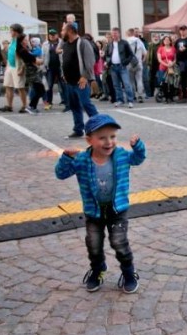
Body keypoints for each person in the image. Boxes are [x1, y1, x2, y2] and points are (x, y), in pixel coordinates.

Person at [55, 114, 146, 293]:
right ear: (89, 139)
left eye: (112, 137)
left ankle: (129, 273)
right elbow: (61, 173)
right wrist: (66, 157)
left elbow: (138, 159)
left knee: (119, 242)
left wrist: (138, 147)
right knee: (94, 244)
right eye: (102, 137)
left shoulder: (120, 155)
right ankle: (98, 270)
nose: (109, 142)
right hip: (93, 211)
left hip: (117, 210)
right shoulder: (82, 159)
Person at [61, 22, 98, 139]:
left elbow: (90, 61)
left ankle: (99, 126)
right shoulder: (66, 44)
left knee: (86, 104)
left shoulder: (83, 43)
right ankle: (78, 129)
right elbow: (65, 60)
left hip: (80, 81)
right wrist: (64, 74)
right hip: (69, 82)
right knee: (74, 106)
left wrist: (84, 77)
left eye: (63, 30)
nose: (61, 32)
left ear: (70, 31)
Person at [1, 24, 35, 113]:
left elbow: (26, 56)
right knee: (8, 86)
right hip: (10, 66)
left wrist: (22, 68)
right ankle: (9, 105)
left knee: (20, 87)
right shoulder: (12, 40)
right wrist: (7, 66)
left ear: (16, 32)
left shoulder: (23, 41)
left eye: (11, 31)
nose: (10, 32)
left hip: (18, 66)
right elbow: (10, 53)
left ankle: (24, 106)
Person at [104, 28, 135, 108]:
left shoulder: (124, 43)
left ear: (119, 34)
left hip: (122, 67)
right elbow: (107, 55)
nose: (114, 35)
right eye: (113, 33)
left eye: (115, 33)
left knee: (127, 84)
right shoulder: (110, 44)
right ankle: (120, 100)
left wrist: (125, 62)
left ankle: (130, 100)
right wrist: (107, 62)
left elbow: (131, 55)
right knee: (116, 85)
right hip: (113, 67)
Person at [42, 29, 66, 111]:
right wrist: (43, 66)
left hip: (60, 67)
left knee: (63, 85)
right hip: (50, 68)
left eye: (54, 34)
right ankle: (49, 102)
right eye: (50, 34)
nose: (52, 36)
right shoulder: (45, 44)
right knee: (49, 86)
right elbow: (43, 56)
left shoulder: (62, 42)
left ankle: (65, 101)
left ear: (57, 35)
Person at [125, 28, 147, 103]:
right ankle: (140, 96)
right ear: (133, 33)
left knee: (131, 80)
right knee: (139, 80)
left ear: (128, 33)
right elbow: (145, 53)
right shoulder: (139, 41)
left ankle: (133, 95)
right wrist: (142, 60)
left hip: (129, 64)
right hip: (138, 63)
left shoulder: (126, 41)